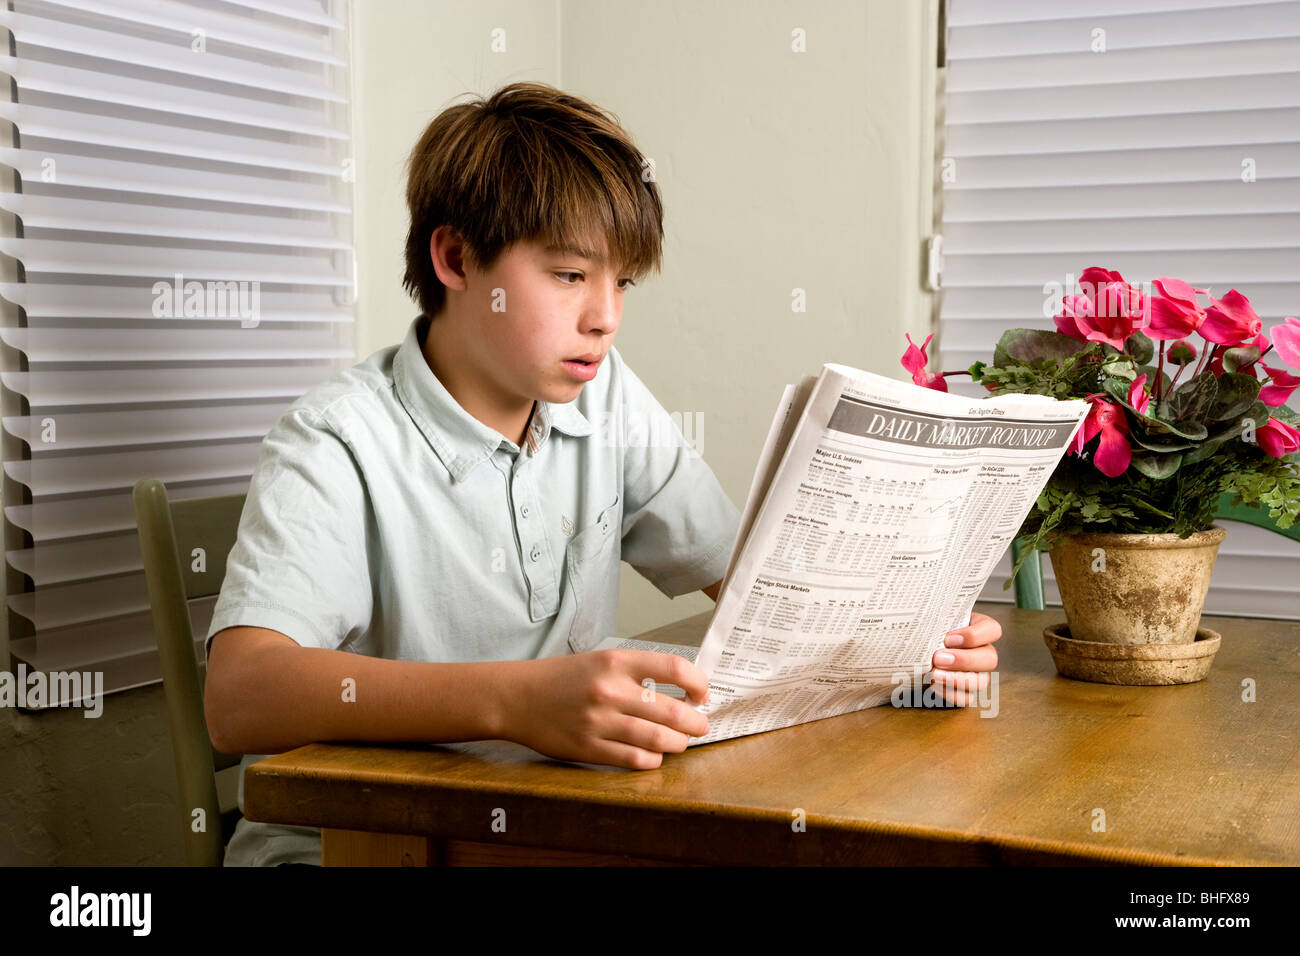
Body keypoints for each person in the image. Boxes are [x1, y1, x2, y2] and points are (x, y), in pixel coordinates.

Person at [201, 81, 1001, 867]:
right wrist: (514, 700)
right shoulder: (337, 438)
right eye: (569, 275)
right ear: (454, 257)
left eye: (621, 282)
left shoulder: (602, 393)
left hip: (549, 823)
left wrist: (907, 655)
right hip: (351, 845)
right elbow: (240, 696)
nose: (605, 317)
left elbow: (761, 597)